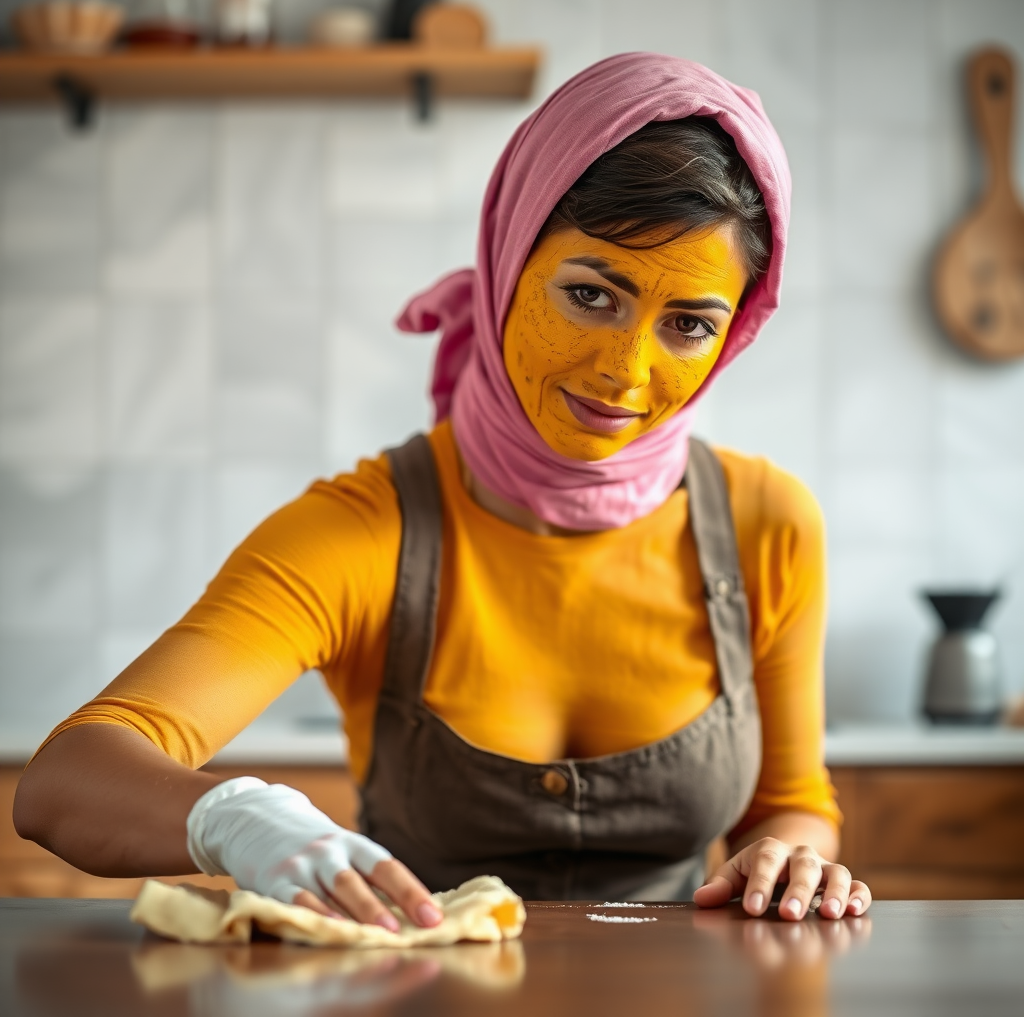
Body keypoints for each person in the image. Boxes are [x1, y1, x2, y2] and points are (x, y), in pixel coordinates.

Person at [14, 53, 871, 929]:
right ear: (506, 264)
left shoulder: (768, 525)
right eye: (589, 295)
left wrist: (793, 857)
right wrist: (229, 816)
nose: (625, 371)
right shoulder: (364, 532)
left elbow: (791, 802)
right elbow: (65, 780)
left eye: (688, 324)